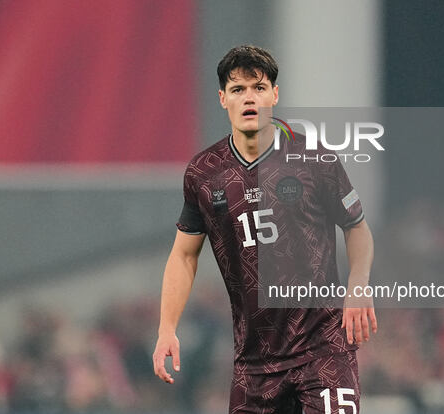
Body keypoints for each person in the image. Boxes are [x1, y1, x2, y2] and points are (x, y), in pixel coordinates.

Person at [153, 45, 377, 413]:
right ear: (223, 99)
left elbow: (357, 228)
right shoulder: (204, 173)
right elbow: (183, 254)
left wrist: (358, 285)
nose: (249, 98)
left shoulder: (315, 159)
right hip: (254, 365)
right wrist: (166, 328)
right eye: (238, 89)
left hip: (323, 349)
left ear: (274, 94)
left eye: (258, 87)